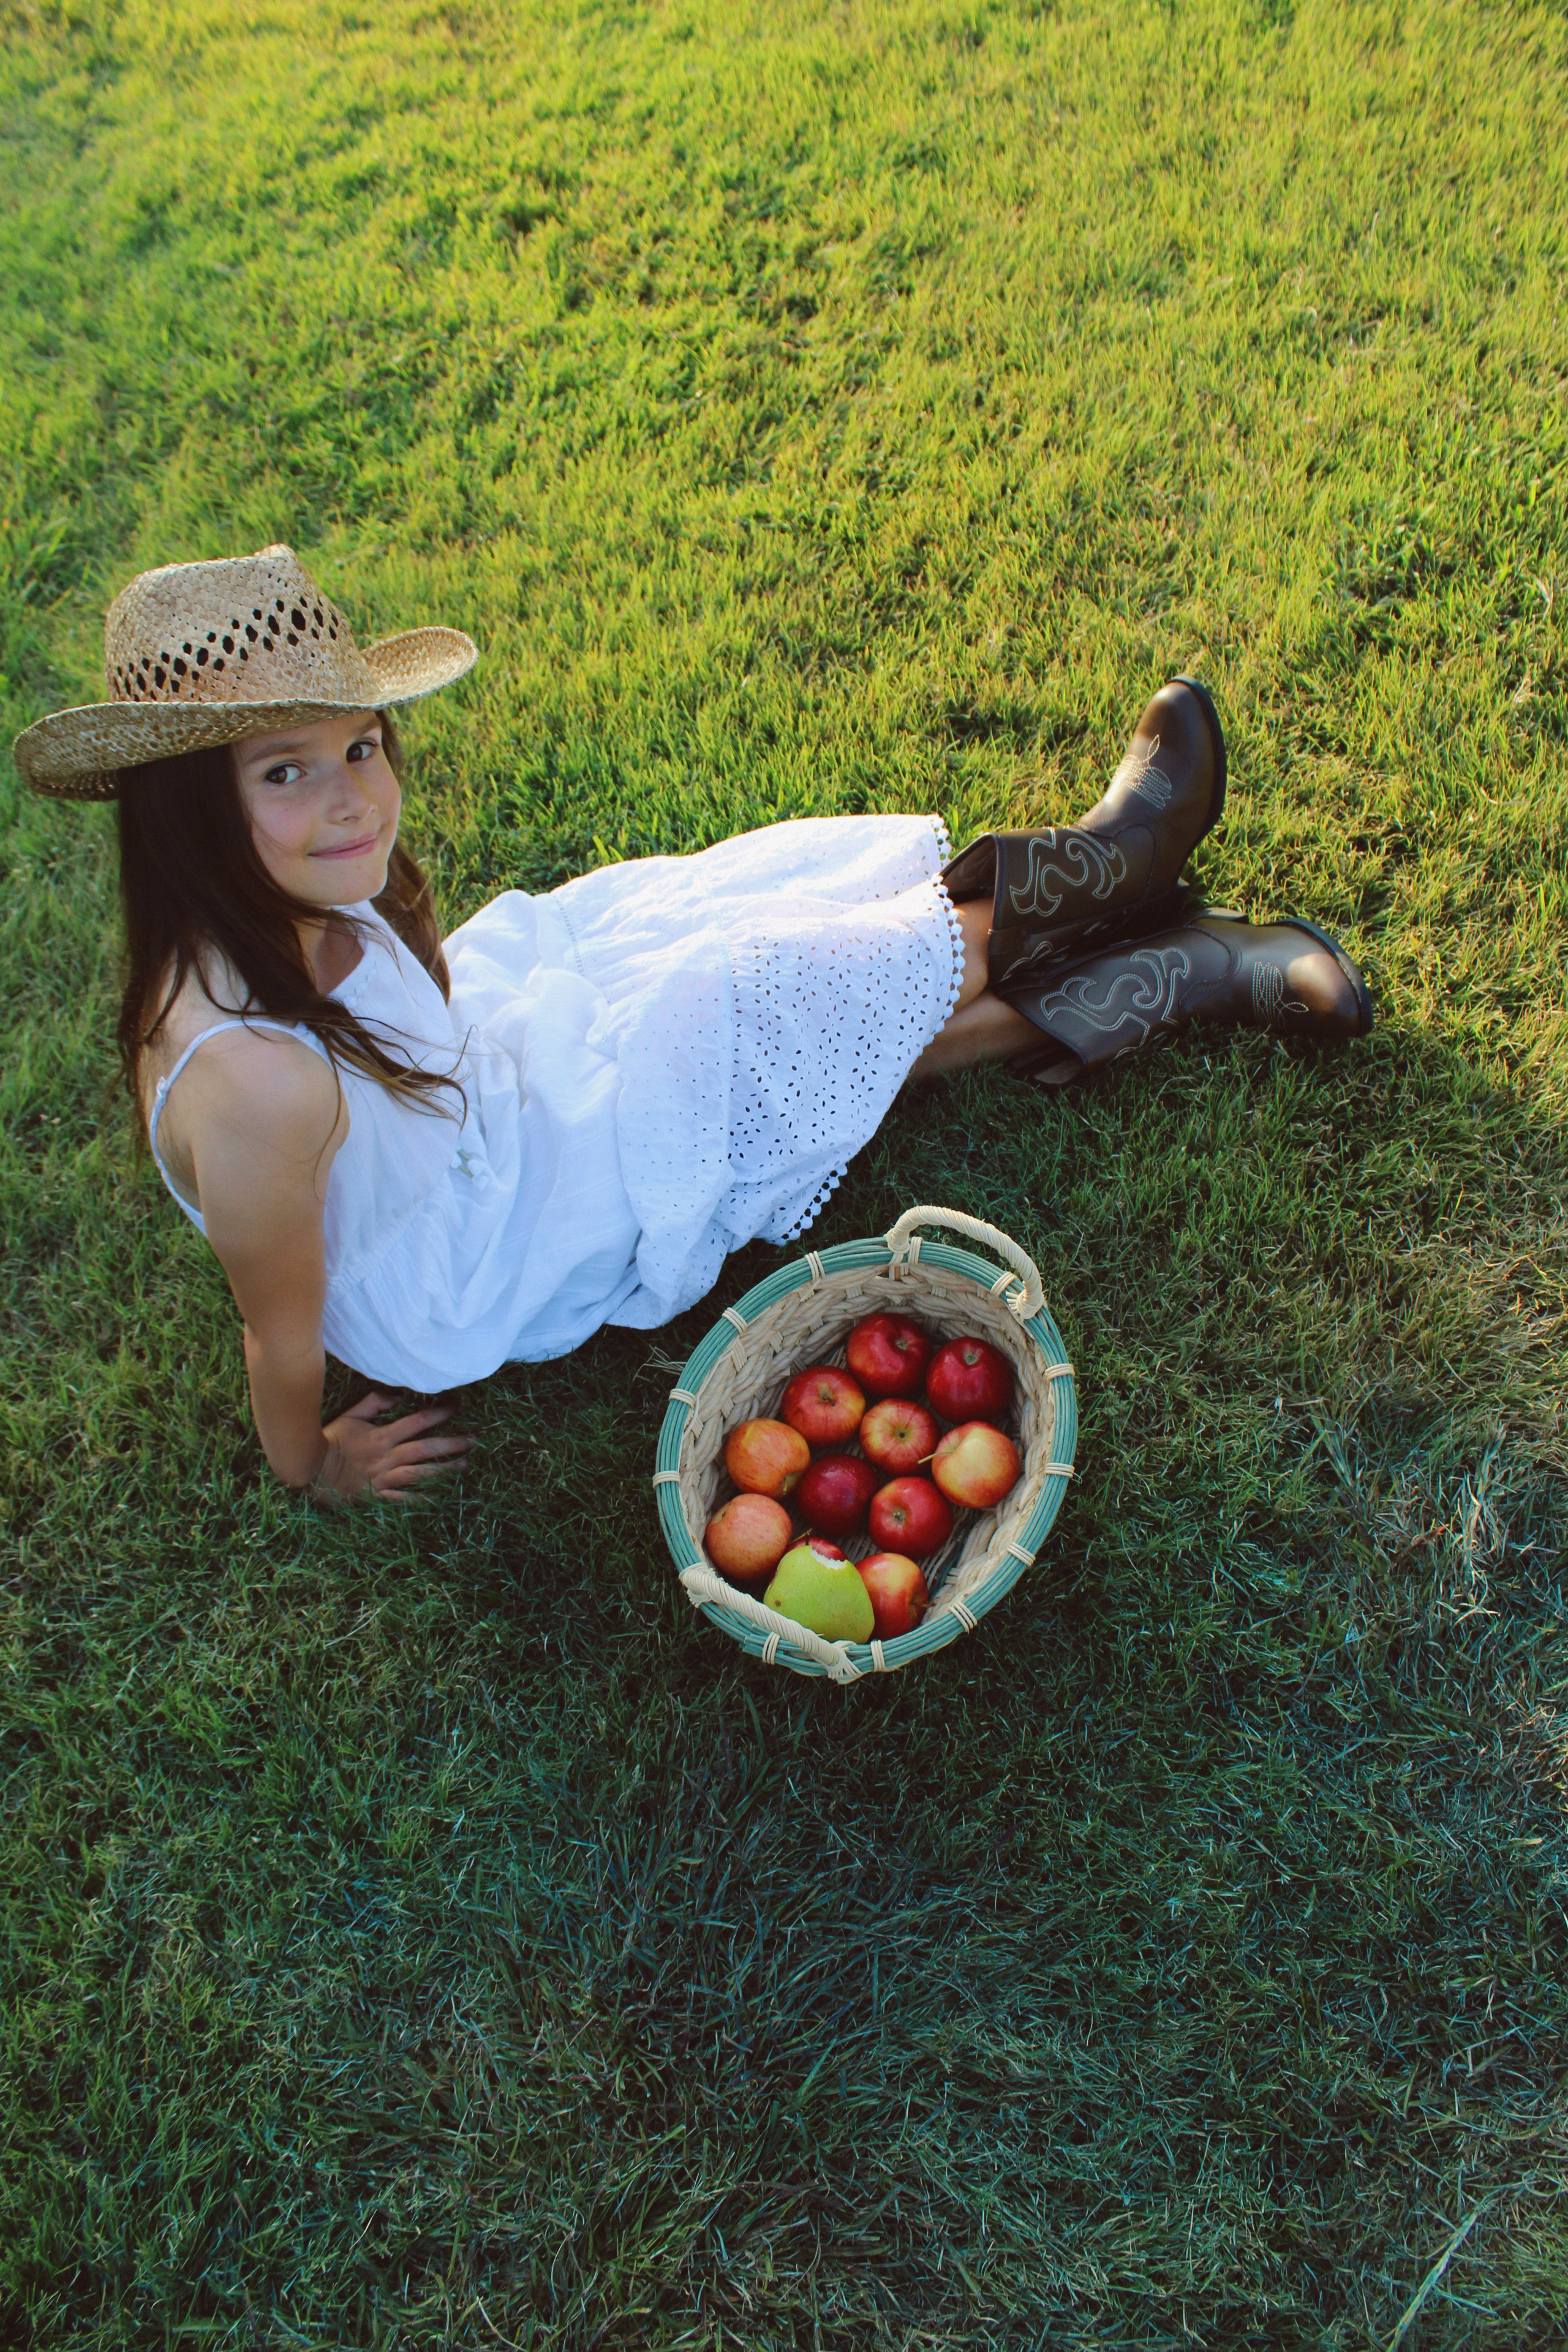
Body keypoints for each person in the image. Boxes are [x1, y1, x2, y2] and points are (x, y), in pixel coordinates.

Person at [14, 546, 1373, 1502]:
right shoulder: (254, 1086)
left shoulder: (305, 892)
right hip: (468, 1249)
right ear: (189, 809)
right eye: (285, 771)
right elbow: (278, 1330)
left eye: (360, 745)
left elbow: (419, 1017)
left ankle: (1164, 963)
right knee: (738, 1004)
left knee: (735, 948)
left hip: (477, 1097)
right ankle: (1121, 876)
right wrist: (312, 1465)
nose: (353, 799)